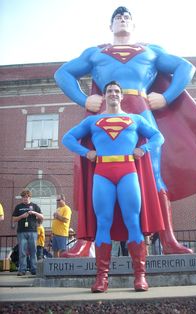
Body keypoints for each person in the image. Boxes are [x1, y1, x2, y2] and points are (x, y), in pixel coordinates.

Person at [54, 6, 196, 255]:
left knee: (154, 174)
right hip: (103, 116)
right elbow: (62, 73)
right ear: (110, 26)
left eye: (126, 17)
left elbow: (186, 68)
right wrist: (83, 99)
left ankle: (169, 240)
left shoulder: (150, 51)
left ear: (133, 24)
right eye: (117, 17)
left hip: (141, 113)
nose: (122, 20)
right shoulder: (96, 53)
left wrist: (168, 96)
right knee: (95, 173)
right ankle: (86, 242)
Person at [62, 81, 165, 292]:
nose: (113, 94)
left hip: (128, 171)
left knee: (132, 221)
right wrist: (86, 153)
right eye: (109, 91)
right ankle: (102, 279)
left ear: (122, 96)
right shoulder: (93, 121)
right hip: (102, 173)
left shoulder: (135, 119)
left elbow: (158, 136)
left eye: (117, 91)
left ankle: (140, 277)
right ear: (105, 96)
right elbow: (68, 138)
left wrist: (144, 148)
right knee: (103, 223)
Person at [12, 189, 43, 276]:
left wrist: (34, 212)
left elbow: (42, 217)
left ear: (30, 197)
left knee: (33, 251)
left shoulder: (35, 206)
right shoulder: (18, 207)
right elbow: (14, 219)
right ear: (22, 198)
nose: (25, 199)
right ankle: (22, 270)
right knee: (22, 251)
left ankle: (34, 269)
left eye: (27, 197)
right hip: (21, 232)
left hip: (33, 231)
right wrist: (22, 216)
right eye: (24, 197)